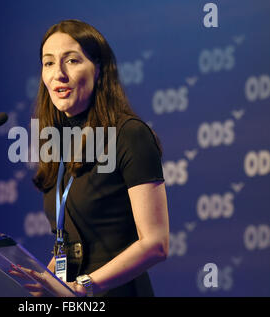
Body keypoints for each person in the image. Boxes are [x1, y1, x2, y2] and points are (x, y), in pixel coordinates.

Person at [32, 19, 169, 297]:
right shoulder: (59, 145)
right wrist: (36, 285)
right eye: (48, 63)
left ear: (99, 70)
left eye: (71, 60)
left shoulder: (129, 134)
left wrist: (85, 286)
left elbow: (156, 243)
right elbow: (68, 249)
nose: (58, 73)